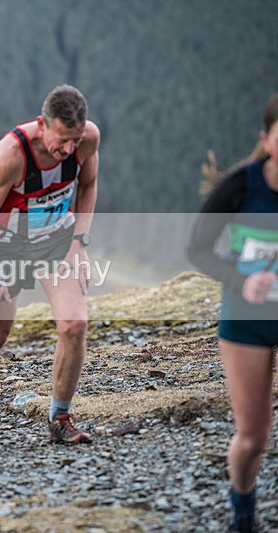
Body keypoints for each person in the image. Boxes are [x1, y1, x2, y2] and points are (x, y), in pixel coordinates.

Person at [0, 85, 100, 443]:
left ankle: (60, 417)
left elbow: (88, 185)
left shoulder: (88, 139)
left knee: (75, 325)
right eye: (62, 141)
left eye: (75, 140)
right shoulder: (12, 154)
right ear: (42, 124)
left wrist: (80, 243)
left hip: (56, 241)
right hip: (7, 245)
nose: (69, 149)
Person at [187, 93, 278, 533]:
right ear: (267, 140)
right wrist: (242, 281)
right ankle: (243, 507)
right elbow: (198, 250)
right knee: (253, 438)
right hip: (246, 323)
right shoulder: (241, 186)